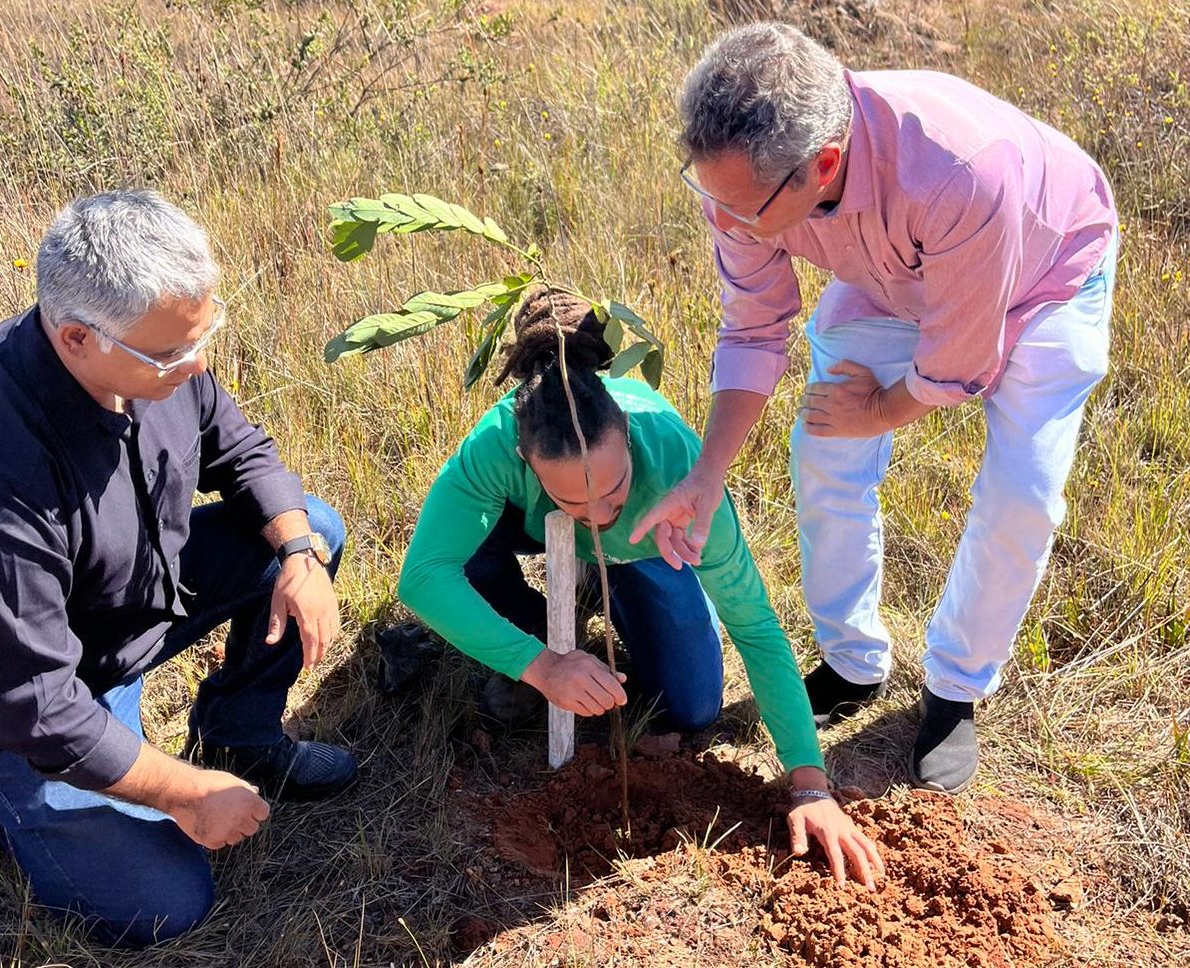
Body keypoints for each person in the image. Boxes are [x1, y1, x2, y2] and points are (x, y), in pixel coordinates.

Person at [632, 23, 1117, 794]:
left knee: (1022, 494)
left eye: (739, 209)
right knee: (824, 452)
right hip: (891, 270)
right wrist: (706, 474)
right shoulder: (746, 184)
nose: (722, 222)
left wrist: (883, 408)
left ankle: (954, 690)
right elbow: (754, 325)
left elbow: (961, 358)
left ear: (820, 166)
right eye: (709, 196)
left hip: (1044, 270)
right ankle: (852, 663)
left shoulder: (959, 172)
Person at [398, 287, 884, 890]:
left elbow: (756, 628)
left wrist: (810, 784)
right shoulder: (499, 442)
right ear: (525, 458)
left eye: (615, 491)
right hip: (523, 533)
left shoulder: (681, 470)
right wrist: (540, 664)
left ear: (627, 435)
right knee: (468, 562)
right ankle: (534, 626)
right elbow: (422, 577)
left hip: (649, 543)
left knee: (692, 704)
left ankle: (624, 589)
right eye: (574, 501)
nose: (599, 514)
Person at [0, 189, 358, 947]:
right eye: (168, 353)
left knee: (312, 527)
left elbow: (243, 452)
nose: (196, 364)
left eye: (202, 334)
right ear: (75, 338)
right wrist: (189, 793)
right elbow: (38, 705)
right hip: (22, 710)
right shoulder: (5, 456)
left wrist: (295, 554)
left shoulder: (162, 354)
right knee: (164, 900)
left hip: (125, 616)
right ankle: (12, 806)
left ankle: (240, 733)